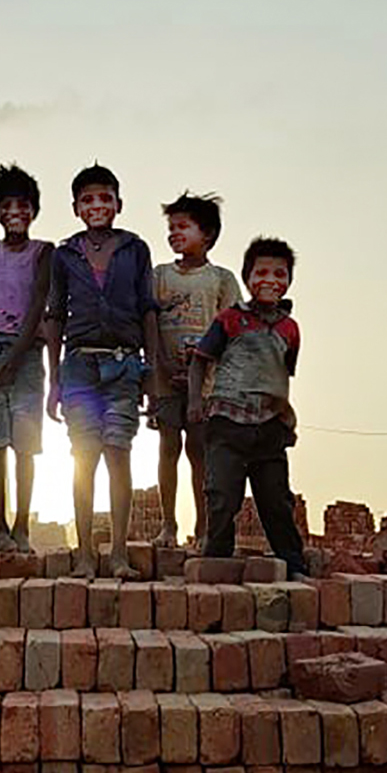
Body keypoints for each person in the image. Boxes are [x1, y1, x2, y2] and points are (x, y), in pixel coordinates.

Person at [46, 164, 159, 579]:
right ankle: (85, 555)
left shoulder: (135, 249)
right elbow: (55, 315)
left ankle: (119, 556)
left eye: (105, 198)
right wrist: (53, 381)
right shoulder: (65, 254)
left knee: (119, 455)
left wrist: (151, 371)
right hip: (78, 366)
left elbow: (147, 309)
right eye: (88, 199)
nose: (97, 205)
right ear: (76, 208)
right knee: (83, 458)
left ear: (118, 204)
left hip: (124, 363)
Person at [188, 236, 307, 578]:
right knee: (222, 494)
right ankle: (217, 559)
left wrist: (285, 417)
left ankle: (293, 564)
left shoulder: (290, 329)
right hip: (227, 422)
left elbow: (284, 372)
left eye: (279, 274)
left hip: (270, 427)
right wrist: (196, 401)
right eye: (262, 273)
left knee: (276, 501)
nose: (270, 280)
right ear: (248, 278)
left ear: (288, 281)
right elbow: (200, 360)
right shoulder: (230, 320)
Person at [151, 192, 241, 550]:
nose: (174, 233)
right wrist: (159, 365)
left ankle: (204, 527)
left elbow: (233, 332)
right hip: (165, 378)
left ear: (208, 234)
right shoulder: (159, 276)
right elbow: (149, 323)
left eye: (183, 226)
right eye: (171, 227)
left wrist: (203, 362)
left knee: (200, 451)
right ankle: (168, 524)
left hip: (205, 383)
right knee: (167, 446)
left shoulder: (220, 279)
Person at [0, 165, 53, 551]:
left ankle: (22, 525)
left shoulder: (44, 252)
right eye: (6, 206)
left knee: (25, 446)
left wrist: (16, 356)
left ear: (33, 210)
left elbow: (39, 304)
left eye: (23, 205)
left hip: (26, 355)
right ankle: (1, 527)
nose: (15, 213)